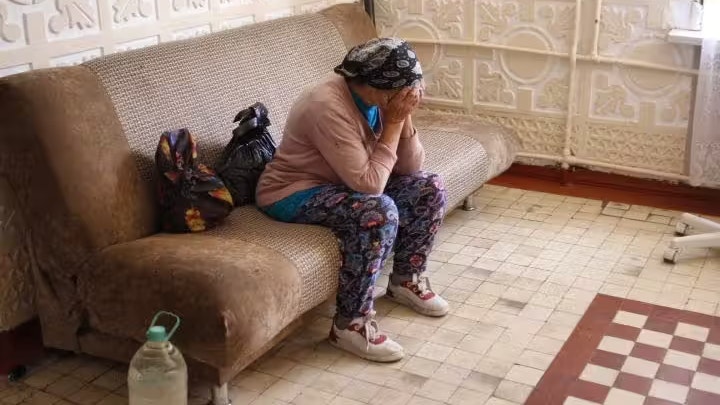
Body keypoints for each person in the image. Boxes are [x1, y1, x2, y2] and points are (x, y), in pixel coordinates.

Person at [256, 37, 448, 362]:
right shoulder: (326, 106)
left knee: (428, 186)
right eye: (400, 91)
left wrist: (404, 117)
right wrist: (394, 121)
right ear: (371, 85)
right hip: (294, 191)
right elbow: (370, 185)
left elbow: (411, 168)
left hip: (343, 184)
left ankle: (405, 280)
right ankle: (349, 325)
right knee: (378, 212)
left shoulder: (379, 99)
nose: (406, 96)